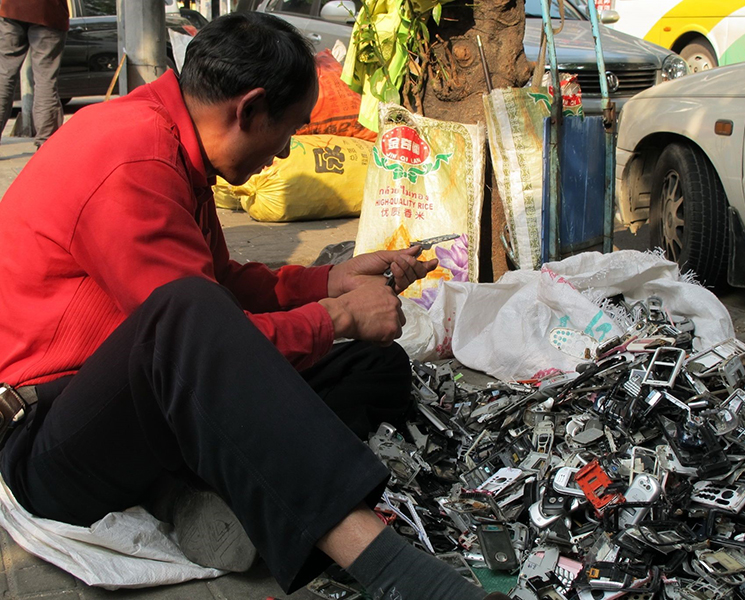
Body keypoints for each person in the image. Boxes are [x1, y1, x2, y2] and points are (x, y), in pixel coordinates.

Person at [0, 11, 508, 600]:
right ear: (249, 109)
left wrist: (331, 281)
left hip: (150, 407)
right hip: (51, 436)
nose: (284, 151)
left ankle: (208, 493)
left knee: (377, 366)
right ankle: (399, 575)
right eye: (287, 131)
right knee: (189, 312)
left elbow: (225, 284)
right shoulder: (131, 157)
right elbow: (199, 335)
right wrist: (339, 317)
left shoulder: (174, 140)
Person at [0, 0, 69, 147]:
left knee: (4, 77)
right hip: (49, 12)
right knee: (45, 80)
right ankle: (46, 144)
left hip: (11, 9)